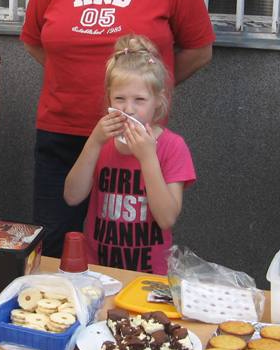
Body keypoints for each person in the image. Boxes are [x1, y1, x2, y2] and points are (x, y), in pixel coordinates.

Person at [20, 0, 214, 260]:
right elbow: (33, 39)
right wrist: (71, 78)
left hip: (135, 141)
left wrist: (152, 92)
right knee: (56, 246)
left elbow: (199, 50)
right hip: (62, 132)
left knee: (126, 249)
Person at [63, 35, 195, 274]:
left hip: (149, 275)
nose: (128, 109)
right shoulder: (102, 141)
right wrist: (94, 142)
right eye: (119, 99)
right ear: (109, 98)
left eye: (140, 100)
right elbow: (72, 197)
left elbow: (166, 218)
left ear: (158, 101)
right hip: (98, 271)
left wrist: (148, 158)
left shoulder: (173, 146)